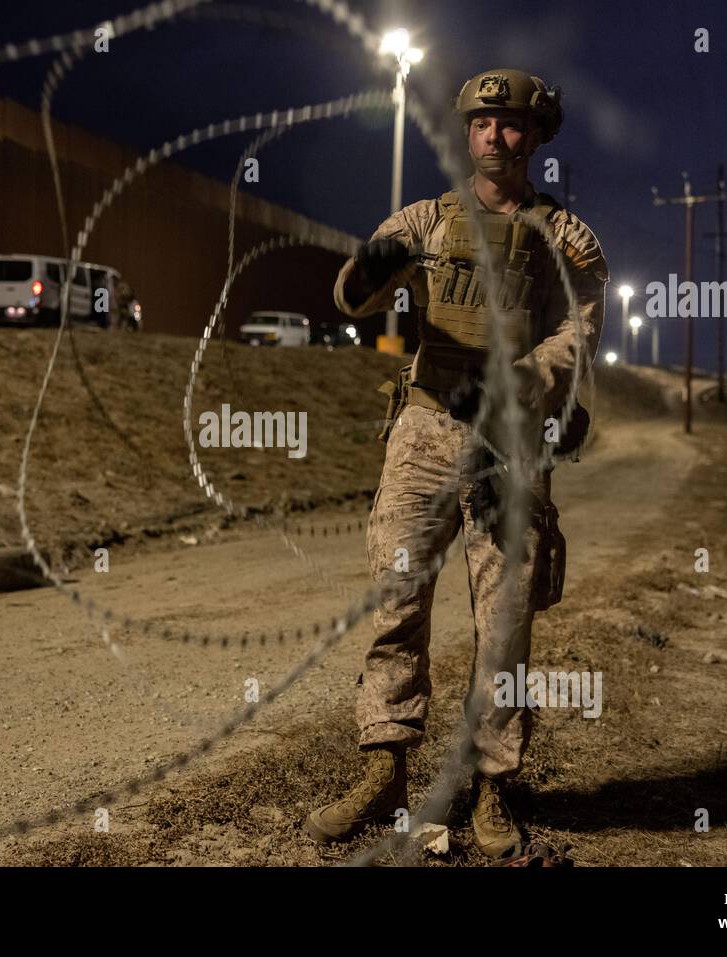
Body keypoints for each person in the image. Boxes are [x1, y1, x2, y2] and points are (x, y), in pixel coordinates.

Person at [303, 68, 608, 857]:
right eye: (482, 123)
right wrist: (369, 268)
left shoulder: (563, 236)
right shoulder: (426, 221)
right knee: (396, 601)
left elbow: (579, 336)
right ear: (466, 132)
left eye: (511, 125)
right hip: (428, 427)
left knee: (504, 623)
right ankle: (384, 767)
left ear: (535, 137)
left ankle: (492, 786)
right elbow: (353, 294)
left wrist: (528, 378)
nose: (495, 136)